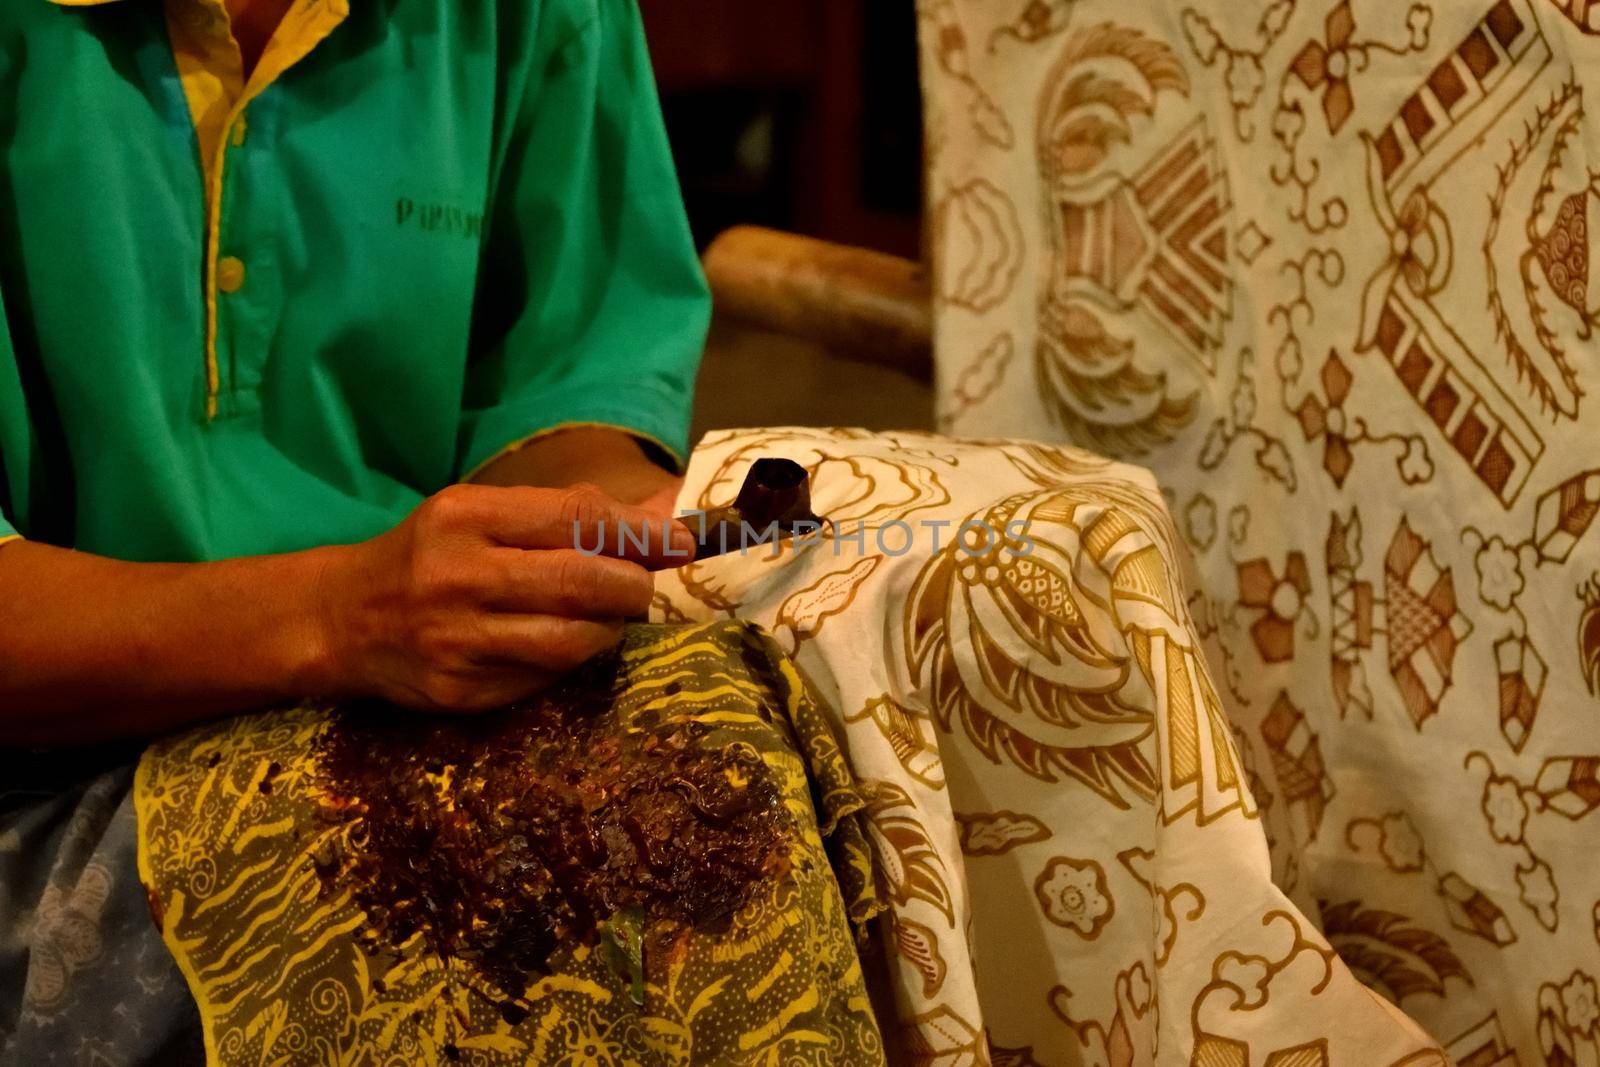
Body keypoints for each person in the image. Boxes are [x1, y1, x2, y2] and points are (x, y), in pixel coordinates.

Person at [0, 0, 707, 1059]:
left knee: (747, 794)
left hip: (395, 669)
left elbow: (576, 374)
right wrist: (340, 613)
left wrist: (586, 531)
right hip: (48, 763)